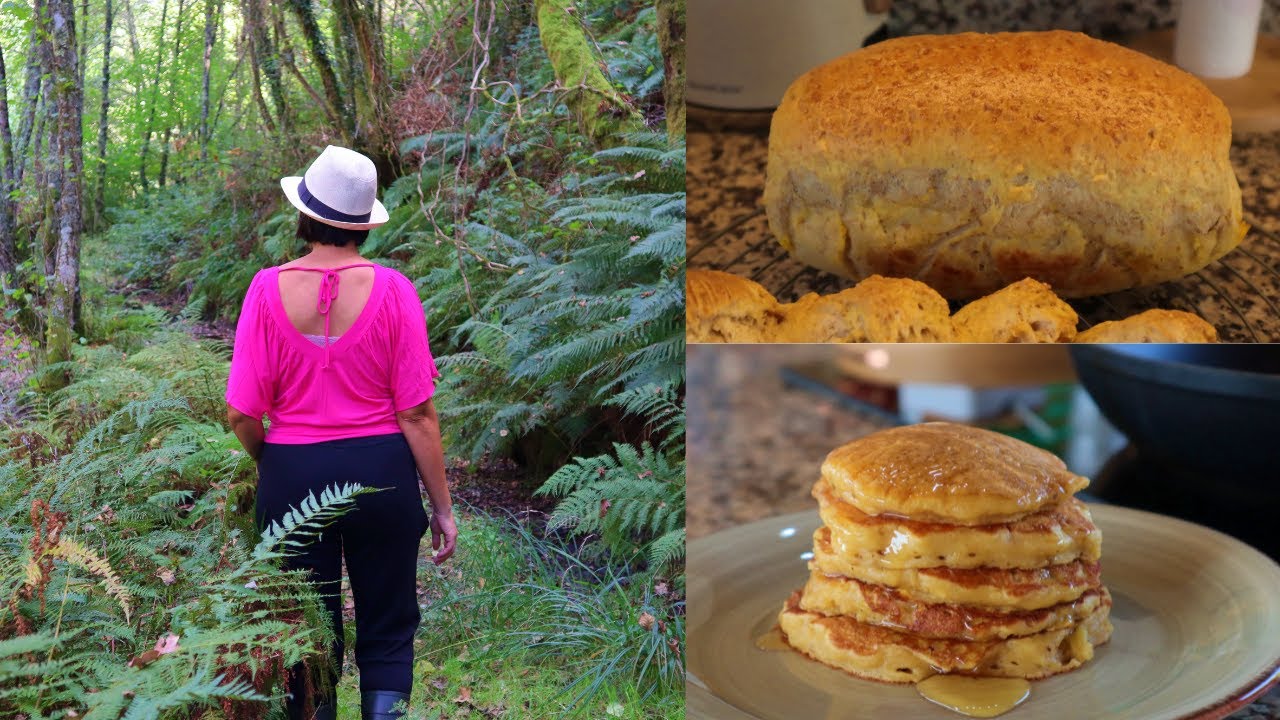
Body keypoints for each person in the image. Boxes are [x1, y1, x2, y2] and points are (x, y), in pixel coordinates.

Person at [225, 145, 457, 720]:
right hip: (383, 476)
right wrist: (443, 507)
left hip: (293, 475)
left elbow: (241, 414)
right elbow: (417, 414)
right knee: (389, 623)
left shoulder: (263, 289)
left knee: (304, 636)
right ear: (361, 224)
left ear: (305, 212)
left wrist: (271, 461)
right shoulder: (396, 291)